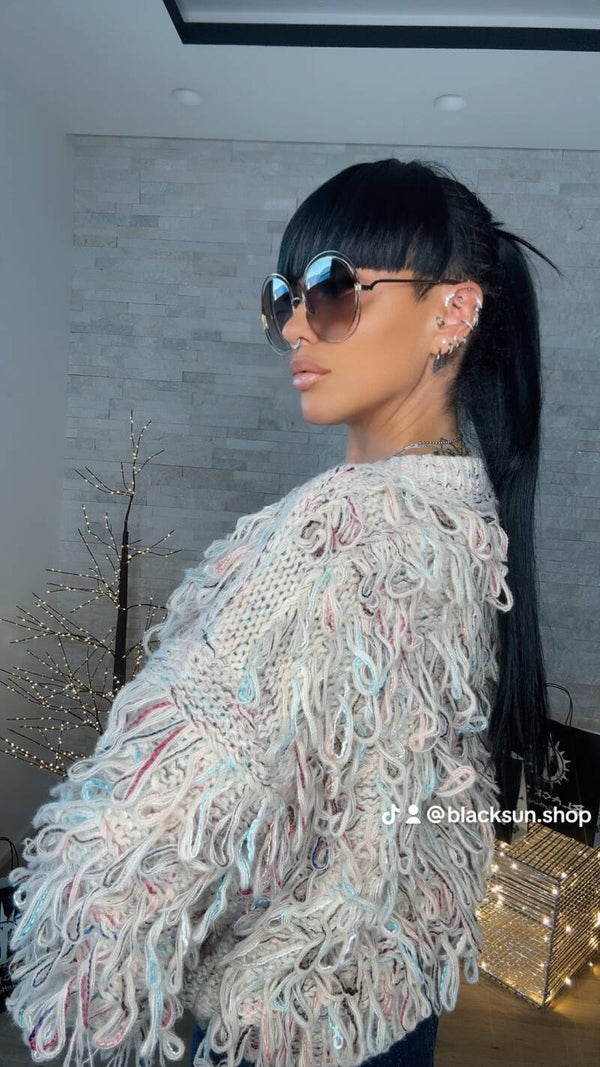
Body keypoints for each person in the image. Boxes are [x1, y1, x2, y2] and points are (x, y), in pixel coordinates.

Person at [7, 159, 553, 1067]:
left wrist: (64, 958)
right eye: (283, 297)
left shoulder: (338, 530)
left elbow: (154, 821)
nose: (297, 325)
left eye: (333, 289)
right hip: (387, 1000)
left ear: (452, 311)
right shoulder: (470, 516)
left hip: (277, 1023)